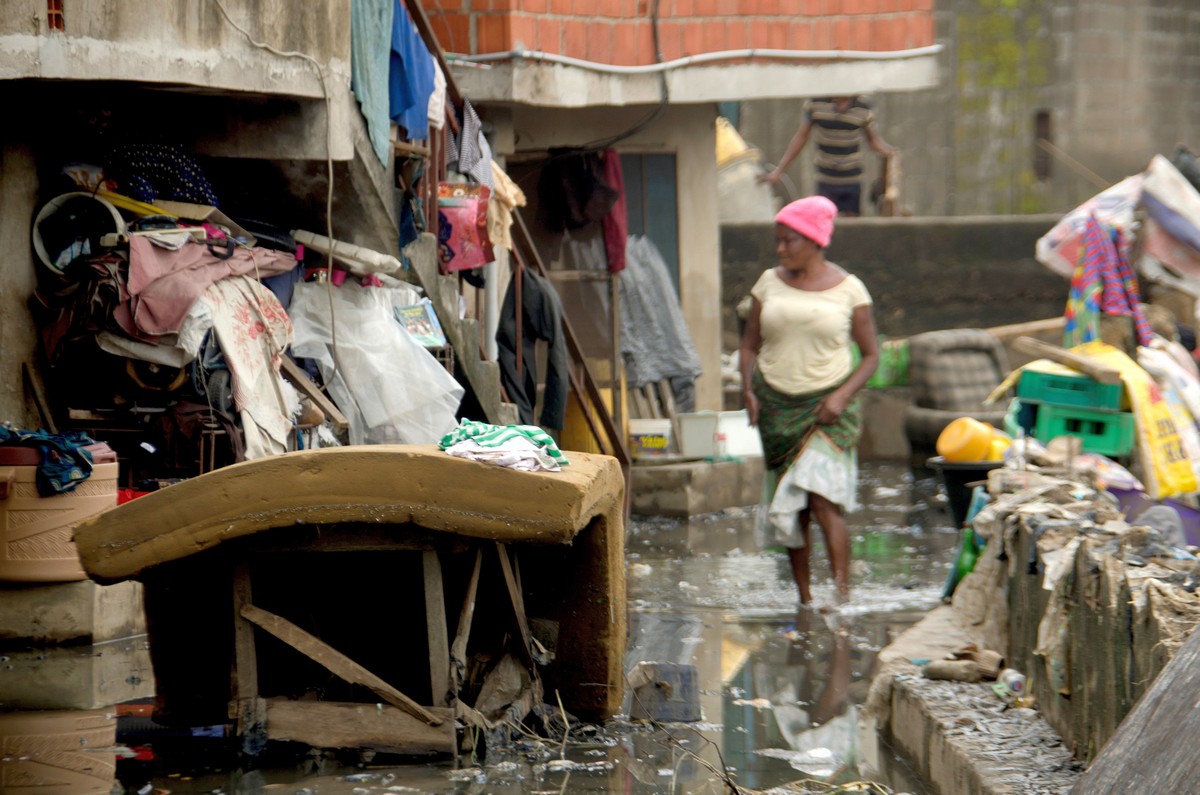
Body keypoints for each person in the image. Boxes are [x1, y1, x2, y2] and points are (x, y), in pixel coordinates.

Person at [739, 195, 879, 606]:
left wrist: (841, 396)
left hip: (827, 409)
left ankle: (841, 595)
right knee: (792, 505)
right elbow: (748, 346)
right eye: (778, 241)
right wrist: (747, 389)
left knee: (822, 500)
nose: (781, 249)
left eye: (789, 241)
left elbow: (872, 355)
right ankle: (804, 599)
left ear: (816, 241)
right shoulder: (768, 283)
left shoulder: (850, 289)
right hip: (775, 407)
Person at [758, 96, 895, 217]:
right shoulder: (817, 104)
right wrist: (779, 171)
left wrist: (889, 153)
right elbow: (801, 137)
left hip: (852, 179)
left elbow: (873, 141)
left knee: (852, 226)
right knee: (824, 221)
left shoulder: (863, 108)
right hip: (826, 179)